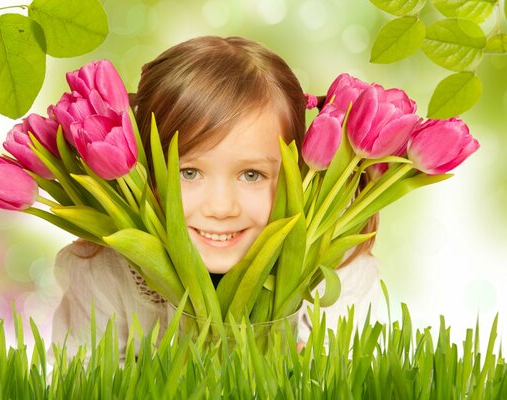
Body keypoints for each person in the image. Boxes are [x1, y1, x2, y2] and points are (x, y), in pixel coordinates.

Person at [50, 36, 379, 359]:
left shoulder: (340, 267)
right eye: (189, 172)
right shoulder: (106, 273)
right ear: (145, 168)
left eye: (252, 175)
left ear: (299, 174)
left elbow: (357, 376)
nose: (221, 208)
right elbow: (72, 378)